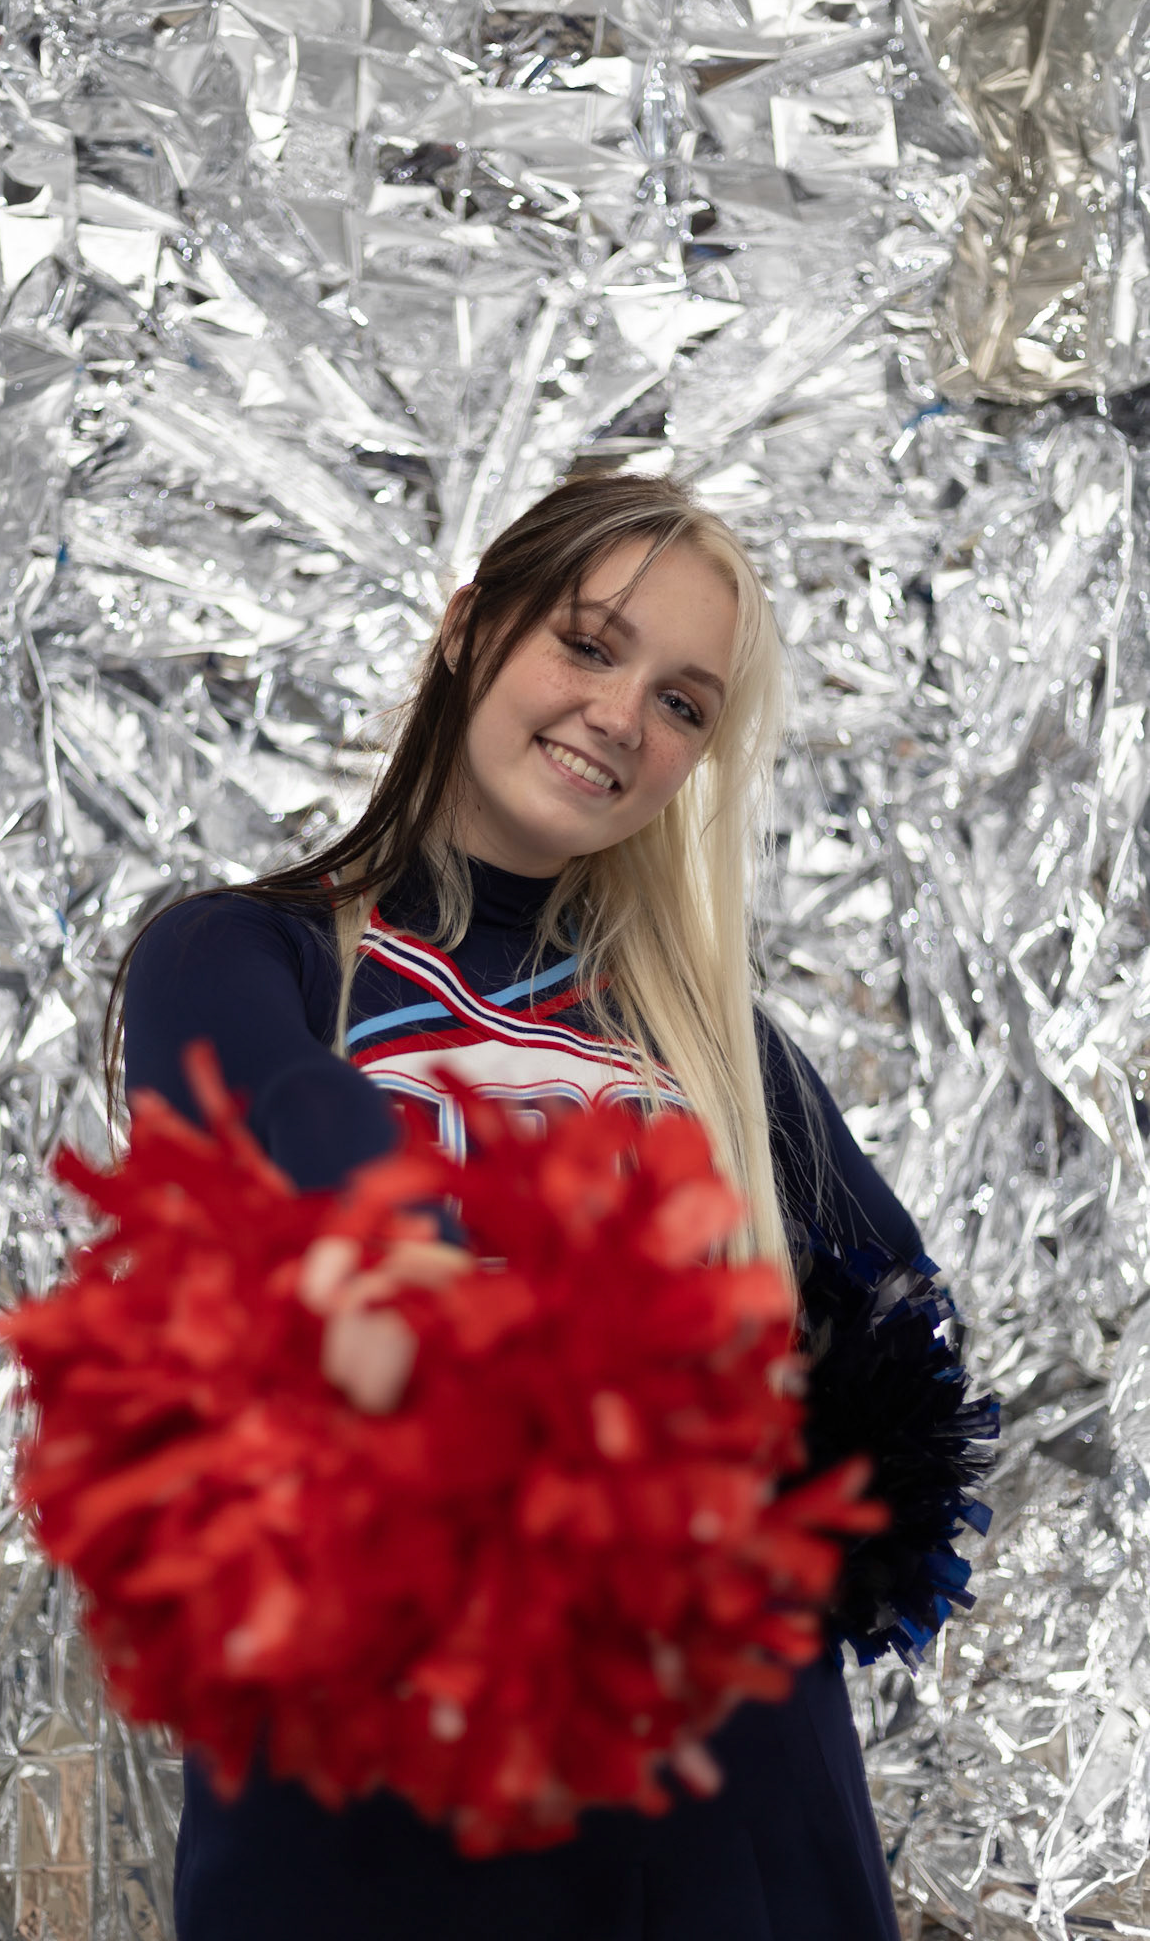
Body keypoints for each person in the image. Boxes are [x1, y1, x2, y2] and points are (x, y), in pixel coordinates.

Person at [114, 472, 929, 1940]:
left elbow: (894, 1312)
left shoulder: (703, 1034)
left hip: (726, 1802)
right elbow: (293, 1138)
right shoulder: (246, 955)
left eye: (681, 704)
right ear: (467, 628)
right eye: (588, 644)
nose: (619, 718)